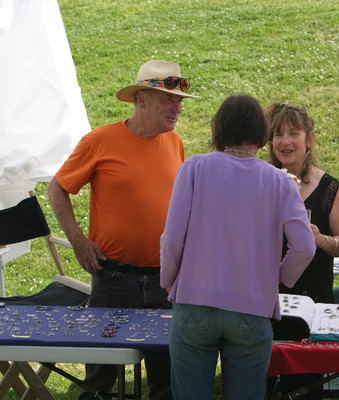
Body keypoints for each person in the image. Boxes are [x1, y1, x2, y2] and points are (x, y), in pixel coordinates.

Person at [47, 60, 199, 400]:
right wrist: (78, 242)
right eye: (167, 99)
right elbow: (57, 189)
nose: (177, 108)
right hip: (114, 279)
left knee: (168, 378)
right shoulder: (100, 141)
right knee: (99, 380)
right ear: (141, 98)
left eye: (179, 101)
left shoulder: (174, 142)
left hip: (165, 280)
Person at [160, 94, 315, 400]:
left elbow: (172, 239)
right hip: (252, 307)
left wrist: (169, 282)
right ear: (262, 132)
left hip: (194, 301)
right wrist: (279, 277)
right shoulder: (280, 181)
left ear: (219, 129)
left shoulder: (194, 167)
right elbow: (305, 247)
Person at [265, 101, 339, 399]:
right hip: (265, 303)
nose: (285, 142)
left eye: (293, 133)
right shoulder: (260, 181)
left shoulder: (328, 188)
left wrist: (320, 239)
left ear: (309, 138)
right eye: (278, 134)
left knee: (304, 389)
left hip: (311, 305)